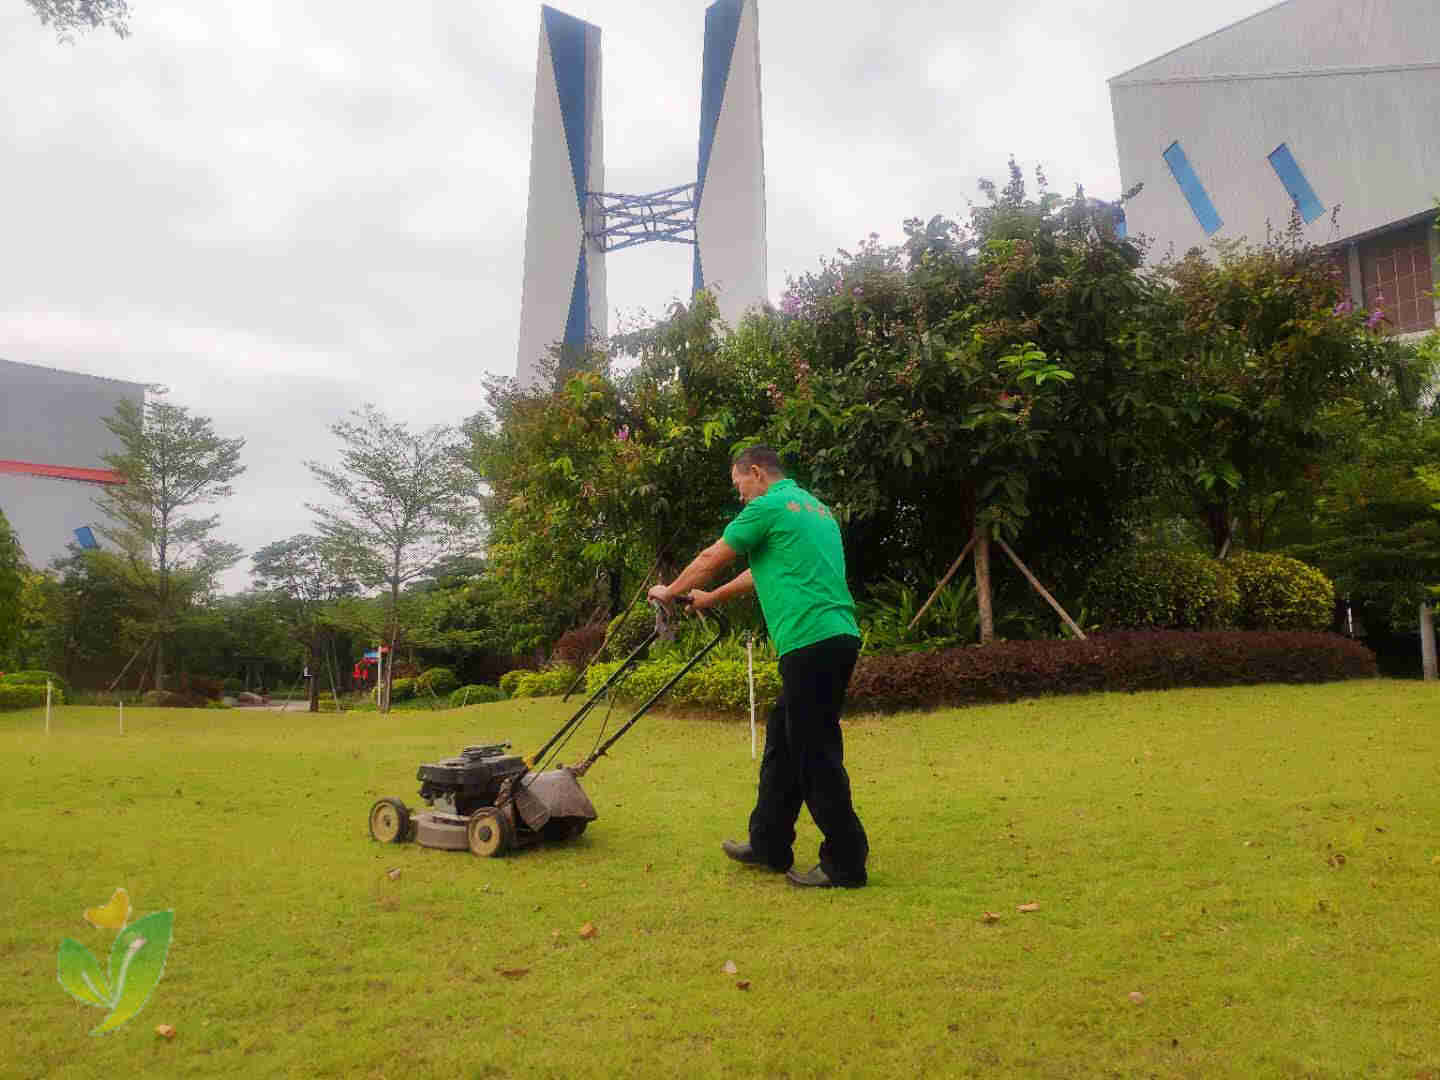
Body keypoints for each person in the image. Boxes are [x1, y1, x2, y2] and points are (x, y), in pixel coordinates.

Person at [648, 446, 869, 888]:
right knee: (783, 744)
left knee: (815, 754)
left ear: (755, 473)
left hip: (811, 640)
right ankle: (768, 843)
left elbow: (714, 556)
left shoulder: (767, 506)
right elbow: (761, 572)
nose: (741, 497)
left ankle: (846, 862)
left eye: (739, 486)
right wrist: (708, 598)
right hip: (832, 636)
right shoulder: (813, 509)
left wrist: (669, 591)